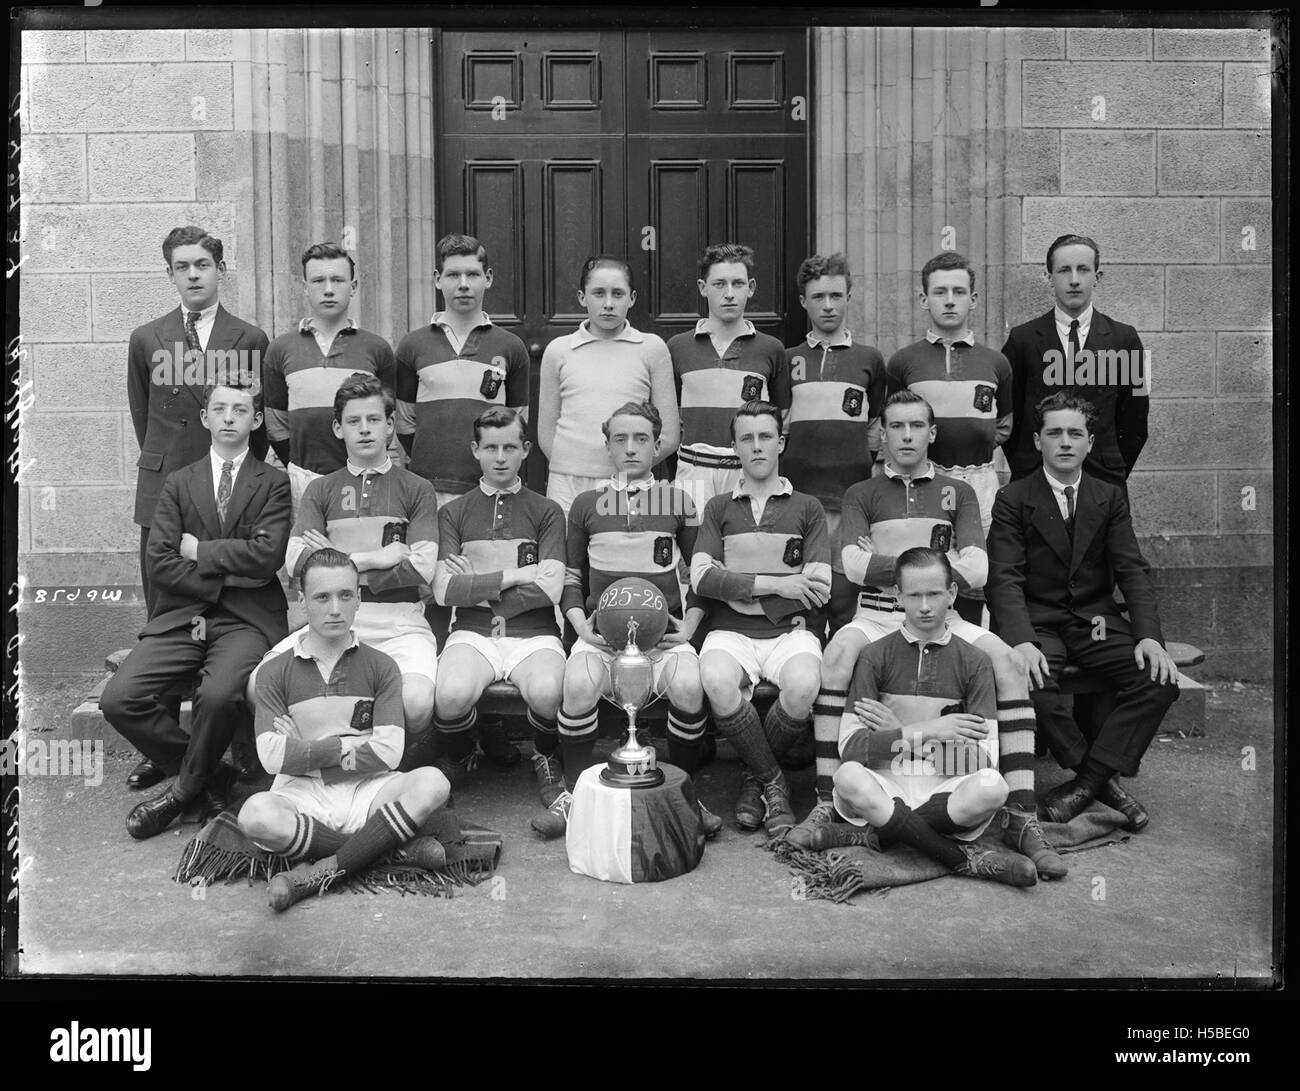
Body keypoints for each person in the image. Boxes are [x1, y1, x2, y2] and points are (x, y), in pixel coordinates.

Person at [797, 390, 1065, 877]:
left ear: (931, 432)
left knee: (1006, 661)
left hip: (940, 609)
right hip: (880, 611)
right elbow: (852, 567)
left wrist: (910, 572)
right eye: (895, 426)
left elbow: (979, 567)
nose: (905, 436)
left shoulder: (956, 491)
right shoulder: (862, 493)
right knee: (837, 653)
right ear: (881, 433)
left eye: (915, 426)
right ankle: (823, 798)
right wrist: (928, 568)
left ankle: (1022, 815)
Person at [101, 379, 290, 839]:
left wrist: (199, 551)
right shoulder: (179, 482)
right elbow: (161, 563)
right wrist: (229, 567)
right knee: (119, 699)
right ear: (205, 418)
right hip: (185, 616)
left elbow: (266, 558)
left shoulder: (273, 483)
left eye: (240, 410)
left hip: (247, 620)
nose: (229, 418)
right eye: (220, 409)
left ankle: (181, 793)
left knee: (220, 695)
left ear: (256, 420)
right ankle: (212, 776)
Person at [987, 393, 1179, 831]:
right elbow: (1004, 578)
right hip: (1039, 622)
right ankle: (1100, 781)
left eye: (1075, 433)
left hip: (1096, 622)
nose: (1065, 442)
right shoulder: (1013, 498)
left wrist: (1148, 635)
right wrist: (1021, 640)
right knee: (1028, 678)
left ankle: (1085, 784)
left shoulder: (1108, 497)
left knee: (1158, 677)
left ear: (1090, 443)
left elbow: (1132, 569)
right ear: (1037, 441)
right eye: (1054, 433)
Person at [124, 225, 269, 791]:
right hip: (165, 492)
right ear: (170, 274)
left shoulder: (248, 338)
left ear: (219, 269)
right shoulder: (147, 338)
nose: (193, 274)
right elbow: (145, 417)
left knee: (230, 612)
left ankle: (231, 740)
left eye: (203, 265)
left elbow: (253, 422)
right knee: (166, 617)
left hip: (226, 495)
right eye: (182, 266)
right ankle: (163, 748)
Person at [537, 401, 720, 839]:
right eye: (620, 439)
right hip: (602, 638)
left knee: (690, 687)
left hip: (661, 639)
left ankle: (684, 791)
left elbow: (701, 573)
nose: (631, 448)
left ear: (658, 445)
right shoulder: (585, 503)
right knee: (577, 686)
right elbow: (572, 575)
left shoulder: (679, 500)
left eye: (641, 439)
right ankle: (576, 794)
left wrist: (690, 626)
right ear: (607, 446)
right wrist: (579, 624)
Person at [239, 549, 450, 914]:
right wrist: (352, 745)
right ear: (302, 602)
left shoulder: (382, 666)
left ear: (359, 600)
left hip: (368, 791)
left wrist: (305, 748)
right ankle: (383, 849)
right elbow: (272, 757)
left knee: (434, 783)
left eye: (345, 596)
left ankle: (324, 869)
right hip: (302, 794)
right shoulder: (274, 671)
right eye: (322, 597)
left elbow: (388, 753)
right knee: (253, 817)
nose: (335, 608)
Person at [250, 373, 440, 753]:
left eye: (374, 420)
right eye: (353, 421)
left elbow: (421, 568)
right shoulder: (321, 489)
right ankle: (322, 760)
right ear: (338, 428)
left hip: (398, 621)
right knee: (258, 684)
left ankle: (391, 768)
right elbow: (295, 563)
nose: (364, 430)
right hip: (329, 621)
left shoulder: (417, 488)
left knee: (417, 702)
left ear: (390, 426)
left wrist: (331, 560)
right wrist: (374, 557)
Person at [394, 233, 529, 762]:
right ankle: (443, 735)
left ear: (488, 279)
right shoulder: (413, 346)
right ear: (438, 281)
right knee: (433, 601)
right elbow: (404, 422)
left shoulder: (510, 348)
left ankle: (489, 726)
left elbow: (514, 425)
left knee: (486, 600)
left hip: (486, 494)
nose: (464, 283)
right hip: (431, 492)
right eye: (453, 274)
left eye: (473, 274)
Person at [832, 548, 1037, 888]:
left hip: (944, 787)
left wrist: (896, 736)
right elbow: (852, 750)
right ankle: (961, 859)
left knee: (994, 786)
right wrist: (929, 729)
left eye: (934, 594)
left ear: (952, 594)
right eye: (914, 595)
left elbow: (982, 759)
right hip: (889, 782)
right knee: (849, 777)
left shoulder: (975, 661)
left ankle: (885, 834)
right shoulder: (873, 656)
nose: (924, 606)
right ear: (898, 596)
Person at [691, 400, 830, 836]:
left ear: (780, 443)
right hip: (730, 632)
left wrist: (740, 588)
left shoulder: (807, 507)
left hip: (790, 632)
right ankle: (774, 783)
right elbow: (701, 578)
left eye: (765, 436)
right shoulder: (718, 508)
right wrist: (777, 585)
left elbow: (819, 585)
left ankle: (755, 777)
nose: (756, 446)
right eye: (746, 438)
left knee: (805, 683)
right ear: (734, 446)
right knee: (714, 679)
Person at [430, 407, 567, 804]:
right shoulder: (453, 511)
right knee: (451, 694)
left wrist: (474, 582)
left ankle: (544, 754)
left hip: (533, 634)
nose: (501, 457)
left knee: (546, 691)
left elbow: (551, 589)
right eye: (491, 447)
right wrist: (514, 575)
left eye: (510, 447)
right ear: (476, 450)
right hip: (473, 633)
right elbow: (443, 591)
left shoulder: (546, 510)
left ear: (526, 449)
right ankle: (461, 754)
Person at [885, 251, 1012, 624]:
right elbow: (895, 420)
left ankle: (972, 645)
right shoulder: (904, 362)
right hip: (926, 477)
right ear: (924, 299)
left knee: (976, 573)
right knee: (928, 566)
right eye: (940, 292)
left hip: (980, 479)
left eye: (959, 291)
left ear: (973, 299)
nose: (950, 300)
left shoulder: (995, 363)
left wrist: (977, 443)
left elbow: (1003, 423)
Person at [782, 252, 886, 633]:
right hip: (801, 497)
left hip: (849, 497)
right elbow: (781, 426)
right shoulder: (788, 358)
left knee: (844, 597)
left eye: (836, 296)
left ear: (848, 297)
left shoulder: (869, 359)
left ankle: (838, 683)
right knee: (806, 594)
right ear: (803, 301)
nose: (828, 305)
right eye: (818, 297)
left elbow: (874, 429)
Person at [1002, 234, 1148, 489]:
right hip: (1036, 477)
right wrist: (1026, 465)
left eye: (1083, 270)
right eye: (1063, 271)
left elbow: (1136, 418)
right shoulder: (1021, 339)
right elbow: (1008, 411)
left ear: (1097, 277)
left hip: (1104, 479)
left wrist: (1113, 469)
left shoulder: (1126, 338)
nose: (1074, 280)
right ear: (1049, 278)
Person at [537, 256, 680, 516]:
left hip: (629, 481)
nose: (608, 304)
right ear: (582, 297)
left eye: (618, 294)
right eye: (598, 293)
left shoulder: (651, 348)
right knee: (568, 553)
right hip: (568, 483)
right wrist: (571, 463)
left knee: (621, 552)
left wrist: (630, 464)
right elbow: (547, 431)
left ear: (632, 298)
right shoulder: (559, 350)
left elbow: (668, 434)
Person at [261, 242, 397, 513]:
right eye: (318, 280)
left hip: (364, 477)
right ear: (304, 287)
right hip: (305, 480)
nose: (328, 289)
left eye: (337, 280)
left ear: (354, 286)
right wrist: (302, 465)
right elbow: (276, 424)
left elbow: (387, 422)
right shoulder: (281, 349)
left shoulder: (377, 349)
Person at [668, 242, 789, 513]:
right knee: (694, 547)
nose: (729, 294)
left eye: (738, 283)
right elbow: (670, 414)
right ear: (703, 287)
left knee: (745, 545)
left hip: (747, 470)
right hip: (694, 469)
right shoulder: (678, 347)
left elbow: (781, 415)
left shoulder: (771, 349)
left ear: (752, 287)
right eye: (720, 284)